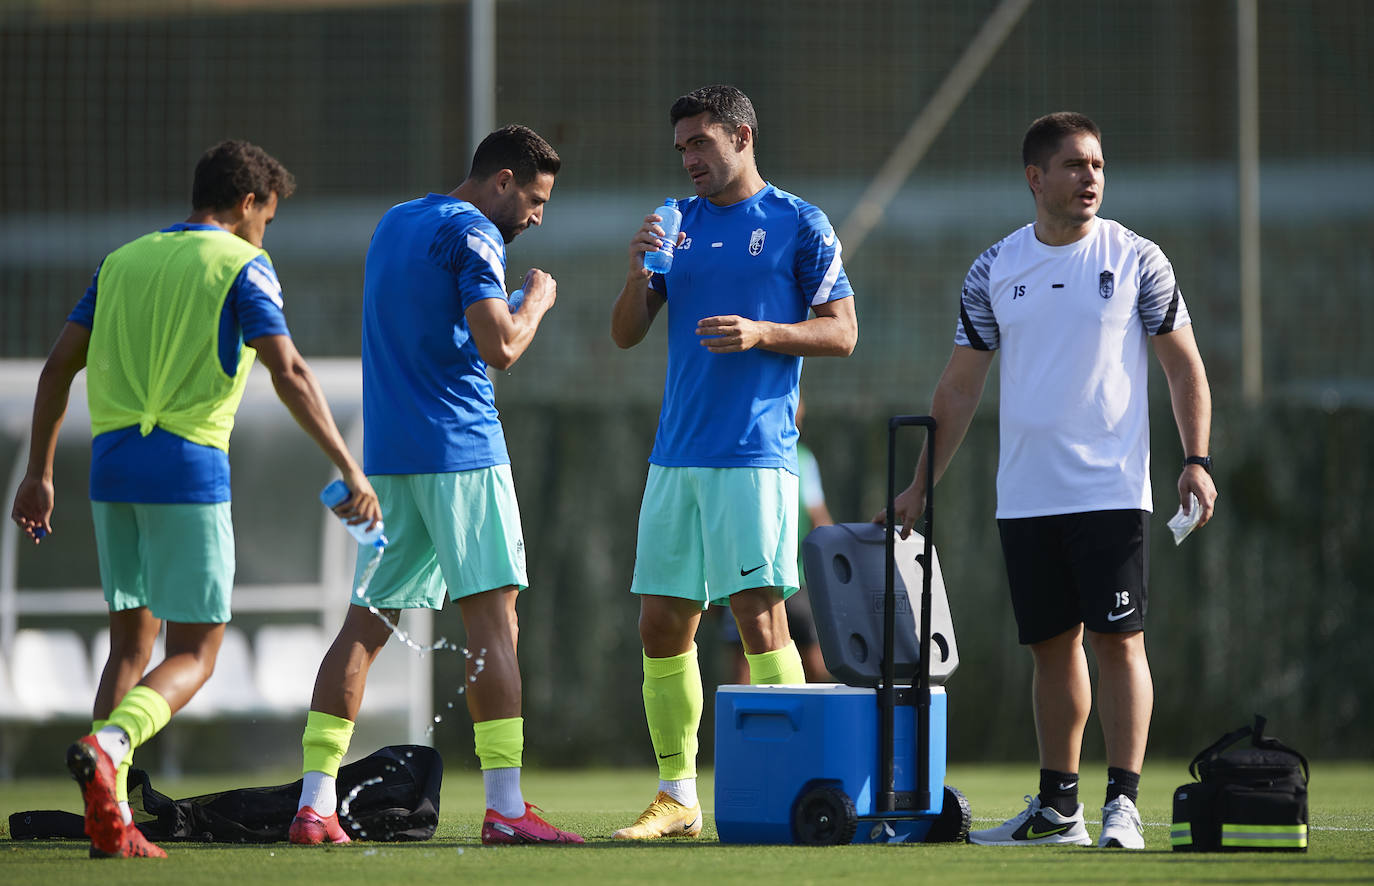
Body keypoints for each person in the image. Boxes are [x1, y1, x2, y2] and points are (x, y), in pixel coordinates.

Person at [9, 140, 380, 859]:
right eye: (266, 218)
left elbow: (59, 367)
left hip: (109, 467)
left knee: (129, 644)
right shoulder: (243, 264)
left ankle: (106, 819)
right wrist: (348, 467)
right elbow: (290, 371)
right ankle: (111, 745)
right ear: (247, 204)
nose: (264, 233)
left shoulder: (120, 261)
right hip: (186, 465)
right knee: (198, 652)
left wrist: (39, 471)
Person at [877, 112, 1218, 850]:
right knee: (1050, 650)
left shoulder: (1138, 259)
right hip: (1027, 496)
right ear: (1036, 178)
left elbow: (1183, 365)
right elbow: (959, 390)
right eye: (1073, 165)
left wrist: (1197, 458)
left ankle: (1122, 805)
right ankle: (1058, 811)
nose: (1090, 177)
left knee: (1119, 641)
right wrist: (920, 485)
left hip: (1112, 492)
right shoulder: (993, 269)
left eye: (1097, 164)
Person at [288, 124, 581, 847]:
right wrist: (536, 299)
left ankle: (315, 804)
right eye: (535, 200)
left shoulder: (394, 221)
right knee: (494, 627)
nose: (538, 217)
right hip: (462, 455)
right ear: (503, 181)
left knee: (365, 626)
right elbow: (500, 346)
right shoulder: (473, 233)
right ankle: (507, 809)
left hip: (388, 460)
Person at [610, 84, 857, 840]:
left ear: (742, 136)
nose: (688, 159)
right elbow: (625, 334)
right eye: (681, 147)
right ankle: (678, 796)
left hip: (755, 455)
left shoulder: (798, 223)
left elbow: (842, 333)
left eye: (700, 143)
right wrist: (635, 269)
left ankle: (794, 786)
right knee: (661, 624)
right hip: (674, 456)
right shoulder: (672, 224)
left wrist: (762, 332)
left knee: (759, 616)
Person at [720, 396, 833, 684]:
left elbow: (819, 516)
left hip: (794, 578)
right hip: (743, 576)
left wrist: (833, 567)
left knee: (813, 662)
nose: (797, 420)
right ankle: (744, 728)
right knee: (743, 663)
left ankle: (809, 724)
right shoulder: (735, 458)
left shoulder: (803, 459)